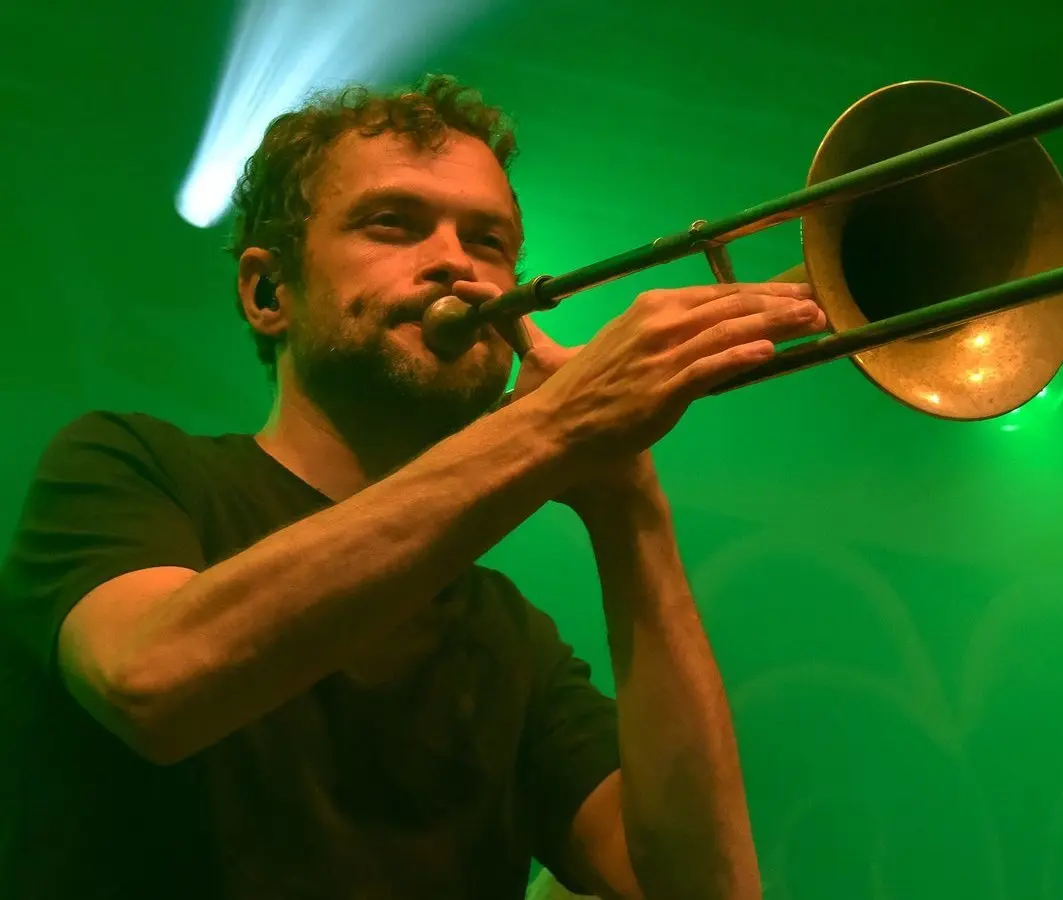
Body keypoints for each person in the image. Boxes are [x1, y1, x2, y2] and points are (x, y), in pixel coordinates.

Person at [0, 74, 827, 899]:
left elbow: (697, 890)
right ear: (268, 291)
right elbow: (151, 680)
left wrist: (627, 503)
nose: (454, 264)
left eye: (488, 241)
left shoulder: (509, 639)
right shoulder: (128, 466)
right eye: (393, 224)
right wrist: (558, 425)